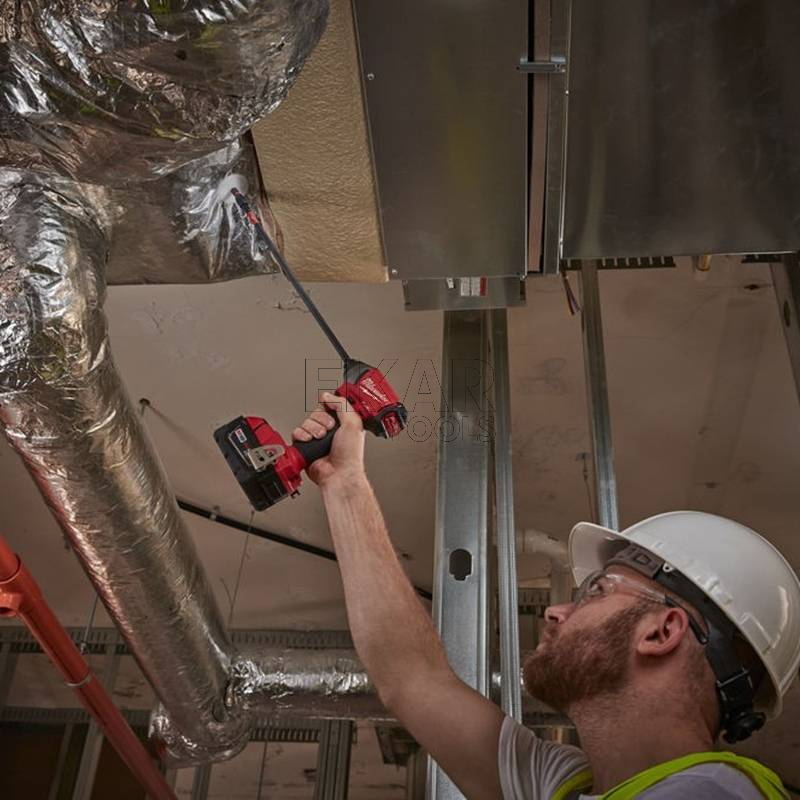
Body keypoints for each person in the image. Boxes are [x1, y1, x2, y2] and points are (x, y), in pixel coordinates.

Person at [294, 393, 800, 800]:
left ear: (661, 631)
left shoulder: (715, 793)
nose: (557, 611)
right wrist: (345, 484)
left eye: (596, 591)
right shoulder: (564, 784)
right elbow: (412, 676)